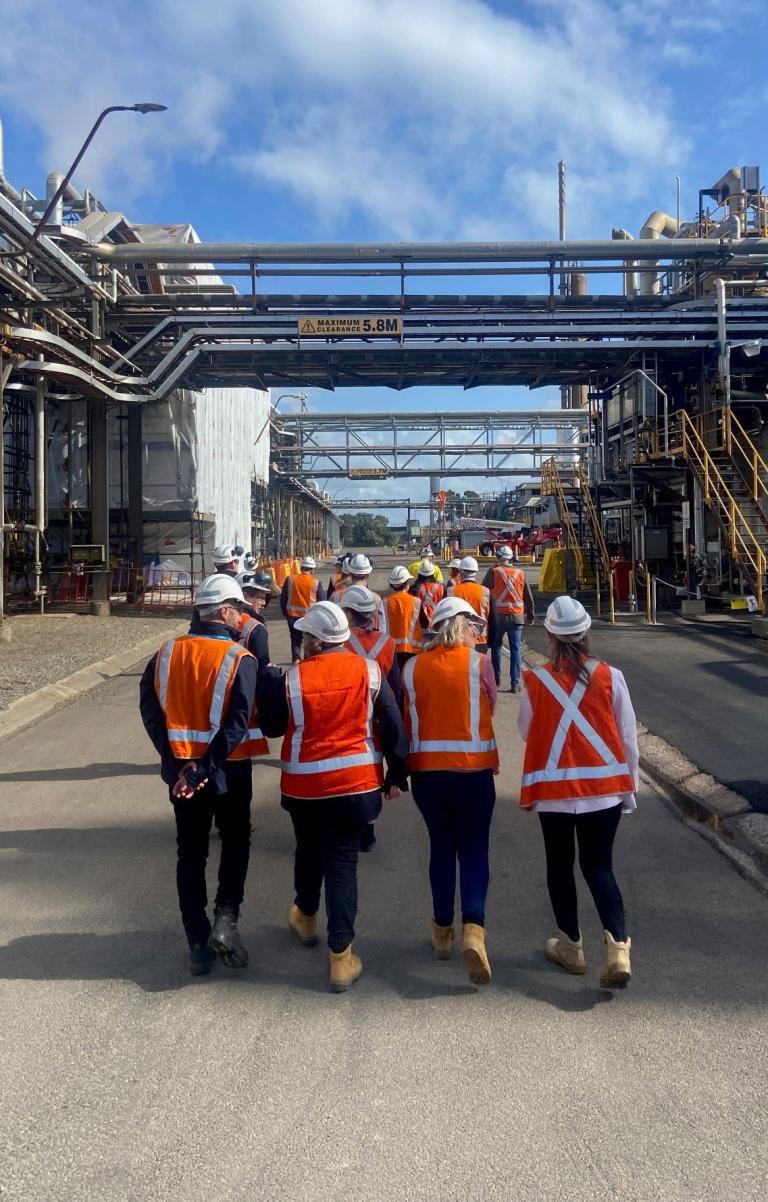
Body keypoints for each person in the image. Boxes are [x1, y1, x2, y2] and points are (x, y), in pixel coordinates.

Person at [257, 601, 409, 992]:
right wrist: (397, 772)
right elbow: (392, 724)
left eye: (304, 637)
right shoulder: (370, 672)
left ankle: (305, 916)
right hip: (356, 788)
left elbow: (272, 727)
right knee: (342, 865)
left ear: (313, 640)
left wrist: (268, 685)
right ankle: (341, 957)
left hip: (304, 788)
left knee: (308, 850)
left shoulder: (292, 679)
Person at [139, 574, 267, 977]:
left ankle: (197, 943)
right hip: (227, 773)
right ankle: (226, 921)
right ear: (225, 610)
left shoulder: (164, 654)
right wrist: (203, 769)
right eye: (238, 611)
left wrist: (179, 765)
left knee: (190, 855)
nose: (240, 619)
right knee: (235, 844)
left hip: (181, 776)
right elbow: (238, 722)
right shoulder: (239, 659)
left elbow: (150, 709)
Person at [517, 595, 637, 989]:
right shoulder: (610, 676)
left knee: (559, 865)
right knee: (599, 867)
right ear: (586, 632)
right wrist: (628, 790)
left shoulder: (535, 681)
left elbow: (526, 730)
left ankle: (572, 947)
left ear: (549, 634)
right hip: (603, 792)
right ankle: (618, 949)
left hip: (554, 792)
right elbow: (627, 738)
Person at [402, 597, 499, 985]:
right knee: (474, 849)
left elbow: (409, 713)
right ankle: (473, 929)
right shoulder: (480, 664)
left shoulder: (412, 668)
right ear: (461, 626)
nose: (477, 631)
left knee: (441, 847)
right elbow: (490, 707)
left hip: (427, 774)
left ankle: (442, 933)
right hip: (473, 772)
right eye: (473, 625)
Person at [339, 584, 402, 854]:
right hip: (377, 712)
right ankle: (368, 830)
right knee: (372, 768)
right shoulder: (387, 642)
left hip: (347, 712)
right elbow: (396, 686)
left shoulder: (340, 641)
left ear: (349, 613)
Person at [481, 545, 535, 692]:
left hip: (498, 617)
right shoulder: (520, 573)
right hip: (517, 617)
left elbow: (483, 590)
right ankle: (515, 683)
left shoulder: (494, 571)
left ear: (499, 557)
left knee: (497, 647)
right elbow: (528, 597)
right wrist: (530, 615)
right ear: (511, 558)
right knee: (516, 650)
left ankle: (496, 679)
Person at [281, 556, 325, 663]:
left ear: (301, 568)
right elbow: (322, 602)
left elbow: (283, 600)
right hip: (310, 618)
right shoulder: (316, 583)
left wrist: (286, 614)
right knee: (309, 640)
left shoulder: (290, 579)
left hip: (292, 615)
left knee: (295, 640)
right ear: (313, 570)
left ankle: (296, 660)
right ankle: (307, 661)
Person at [453, 556, 495, 654]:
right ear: (476, 572)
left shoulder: (451, 591)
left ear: (460, 571)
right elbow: (494, 620)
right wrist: (491, 641)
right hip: (480, 641)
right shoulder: (486, 592)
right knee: (477, 668)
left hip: (457, 640)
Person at [235, 570, 274, 677]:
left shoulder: (221, 618)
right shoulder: (257, 629)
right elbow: (264, 670)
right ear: (244, 596)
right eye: (260, 598)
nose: (264, 603)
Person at [335, 553, 387, 631]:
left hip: (346, 641)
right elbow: (382, 629)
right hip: (370, 642)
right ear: (368, 575)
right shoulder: (376, 599)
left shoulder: (336, 596)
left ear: (350, 573)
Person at [385, 565, 423, 669]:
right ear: (407, 583)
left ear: (392, 585)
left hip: (391, 650)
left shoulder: (384, 602)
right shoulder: (416, 601)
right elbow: (424, 623)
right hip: (413, 649)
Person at [412, 560, 444, 629]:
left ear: (420, 574)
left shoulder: (415, 588)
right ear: (433, 574)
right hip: (437, 622)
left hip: (421, 624)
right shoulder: (441, 588)